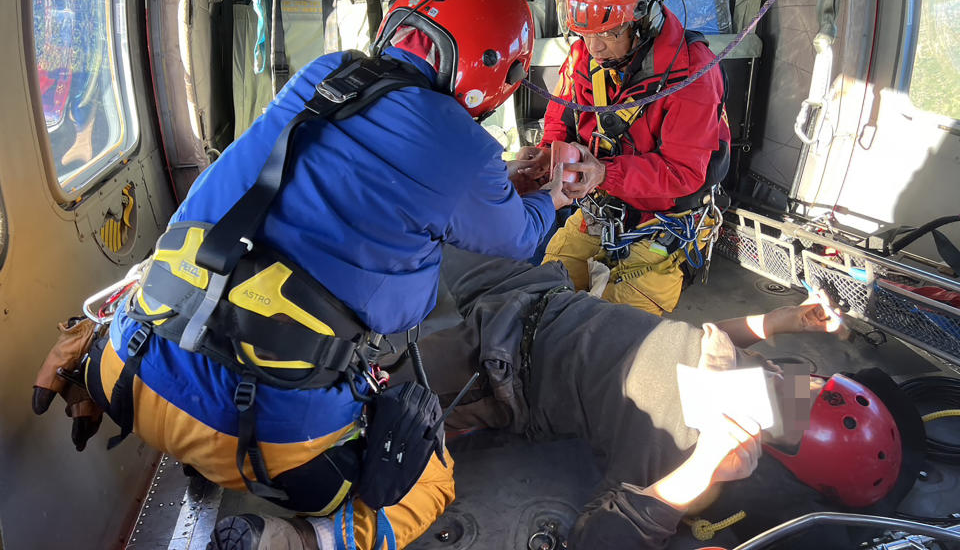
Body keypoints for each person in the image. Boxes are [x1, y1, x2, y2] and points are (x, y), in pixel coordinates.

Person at [33, 0, 575, 549]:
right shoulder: (467, 151)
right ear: (495, 72)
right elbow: (521, 239)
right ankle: (297, 541)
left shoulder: (329, 73)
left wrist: (496, 183)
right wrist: (560, 194)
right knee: (431, 480)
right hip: (258, 443)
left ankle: (89, 364)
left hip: (124, 374)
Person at [206, 247, 921, 550]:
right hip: (516, 315)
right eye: (793, 385)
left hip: (508, 330)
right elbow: (703, 334)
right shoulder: (719, 412)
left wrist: (698, 470)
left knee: (336, 368)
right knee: (384, 270)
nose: (779, 384)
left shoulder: (695, 416)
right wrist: (784, 320)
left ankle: (292, 533)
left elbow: (599, 537)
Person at [527, 0, 731, 316]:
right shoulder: (584, 55)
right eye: (585, 34)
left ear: (647, 19)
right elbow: (560, 122)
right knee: (540, 299)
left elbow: (683, 173)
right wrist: (546, 157)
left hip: (661, 223)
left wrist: (604, 173)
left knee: (612, 333)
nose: (595, 47)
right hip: (597, 210)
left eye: (610, 33)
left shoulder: (693, 74)